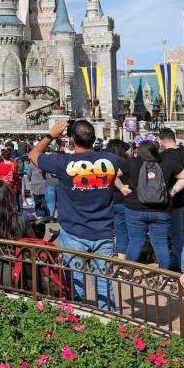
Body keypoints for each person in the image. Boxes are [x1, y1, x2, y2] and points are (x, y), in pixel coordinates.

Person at [30, 119, 118, 310]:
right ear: (94, 138)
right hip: (103, 232)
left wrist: (50, 135)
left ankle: (76, 317)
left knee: (74, 283)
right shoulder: (111, 160)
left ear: (71, 140)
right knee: (104, 284)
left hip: (74, 231)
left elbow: (34, 154)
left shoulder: (63, 162)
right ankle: (111, 325)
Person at [117, 140, 184, 269]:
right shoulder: (167, 162)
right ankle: (164, 274)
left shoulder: (131, 162)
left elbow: (112, 175)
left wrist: (122, 187)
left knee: (135, 242)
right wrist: (173, 190)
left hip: (135, 208)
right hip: (161, 209)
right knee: (160, 243)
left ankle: (127, 271)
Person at [158, 128, 184, 272]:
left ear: (161, 141)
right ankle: (179, 261)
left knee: (177, 237)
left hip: (174, 202)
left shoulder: (163, 157)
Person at [102, 139, 130, 259]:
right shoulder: (124, 163)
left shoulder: (103, 163)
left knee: (105, 228)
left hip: (105, 200)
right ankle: (121, 257)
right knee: (121, 230)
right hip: (121, 200)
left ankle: (104, 252)